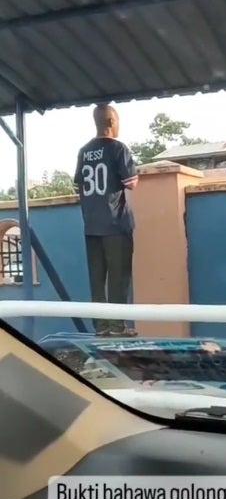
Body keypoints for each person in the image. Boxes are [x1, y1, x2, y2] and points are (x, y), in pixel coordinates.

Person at [74, 104, 138, 337]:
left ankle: (101, 327)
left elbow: (77, 184)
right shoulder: (118, 149)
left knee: (97, 278)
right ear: (111, 122)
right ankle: (117, 326)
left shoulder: (83, 151)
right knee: (119, 276)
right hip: (116, 224)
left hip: (91, 225)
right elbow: (131, 181)